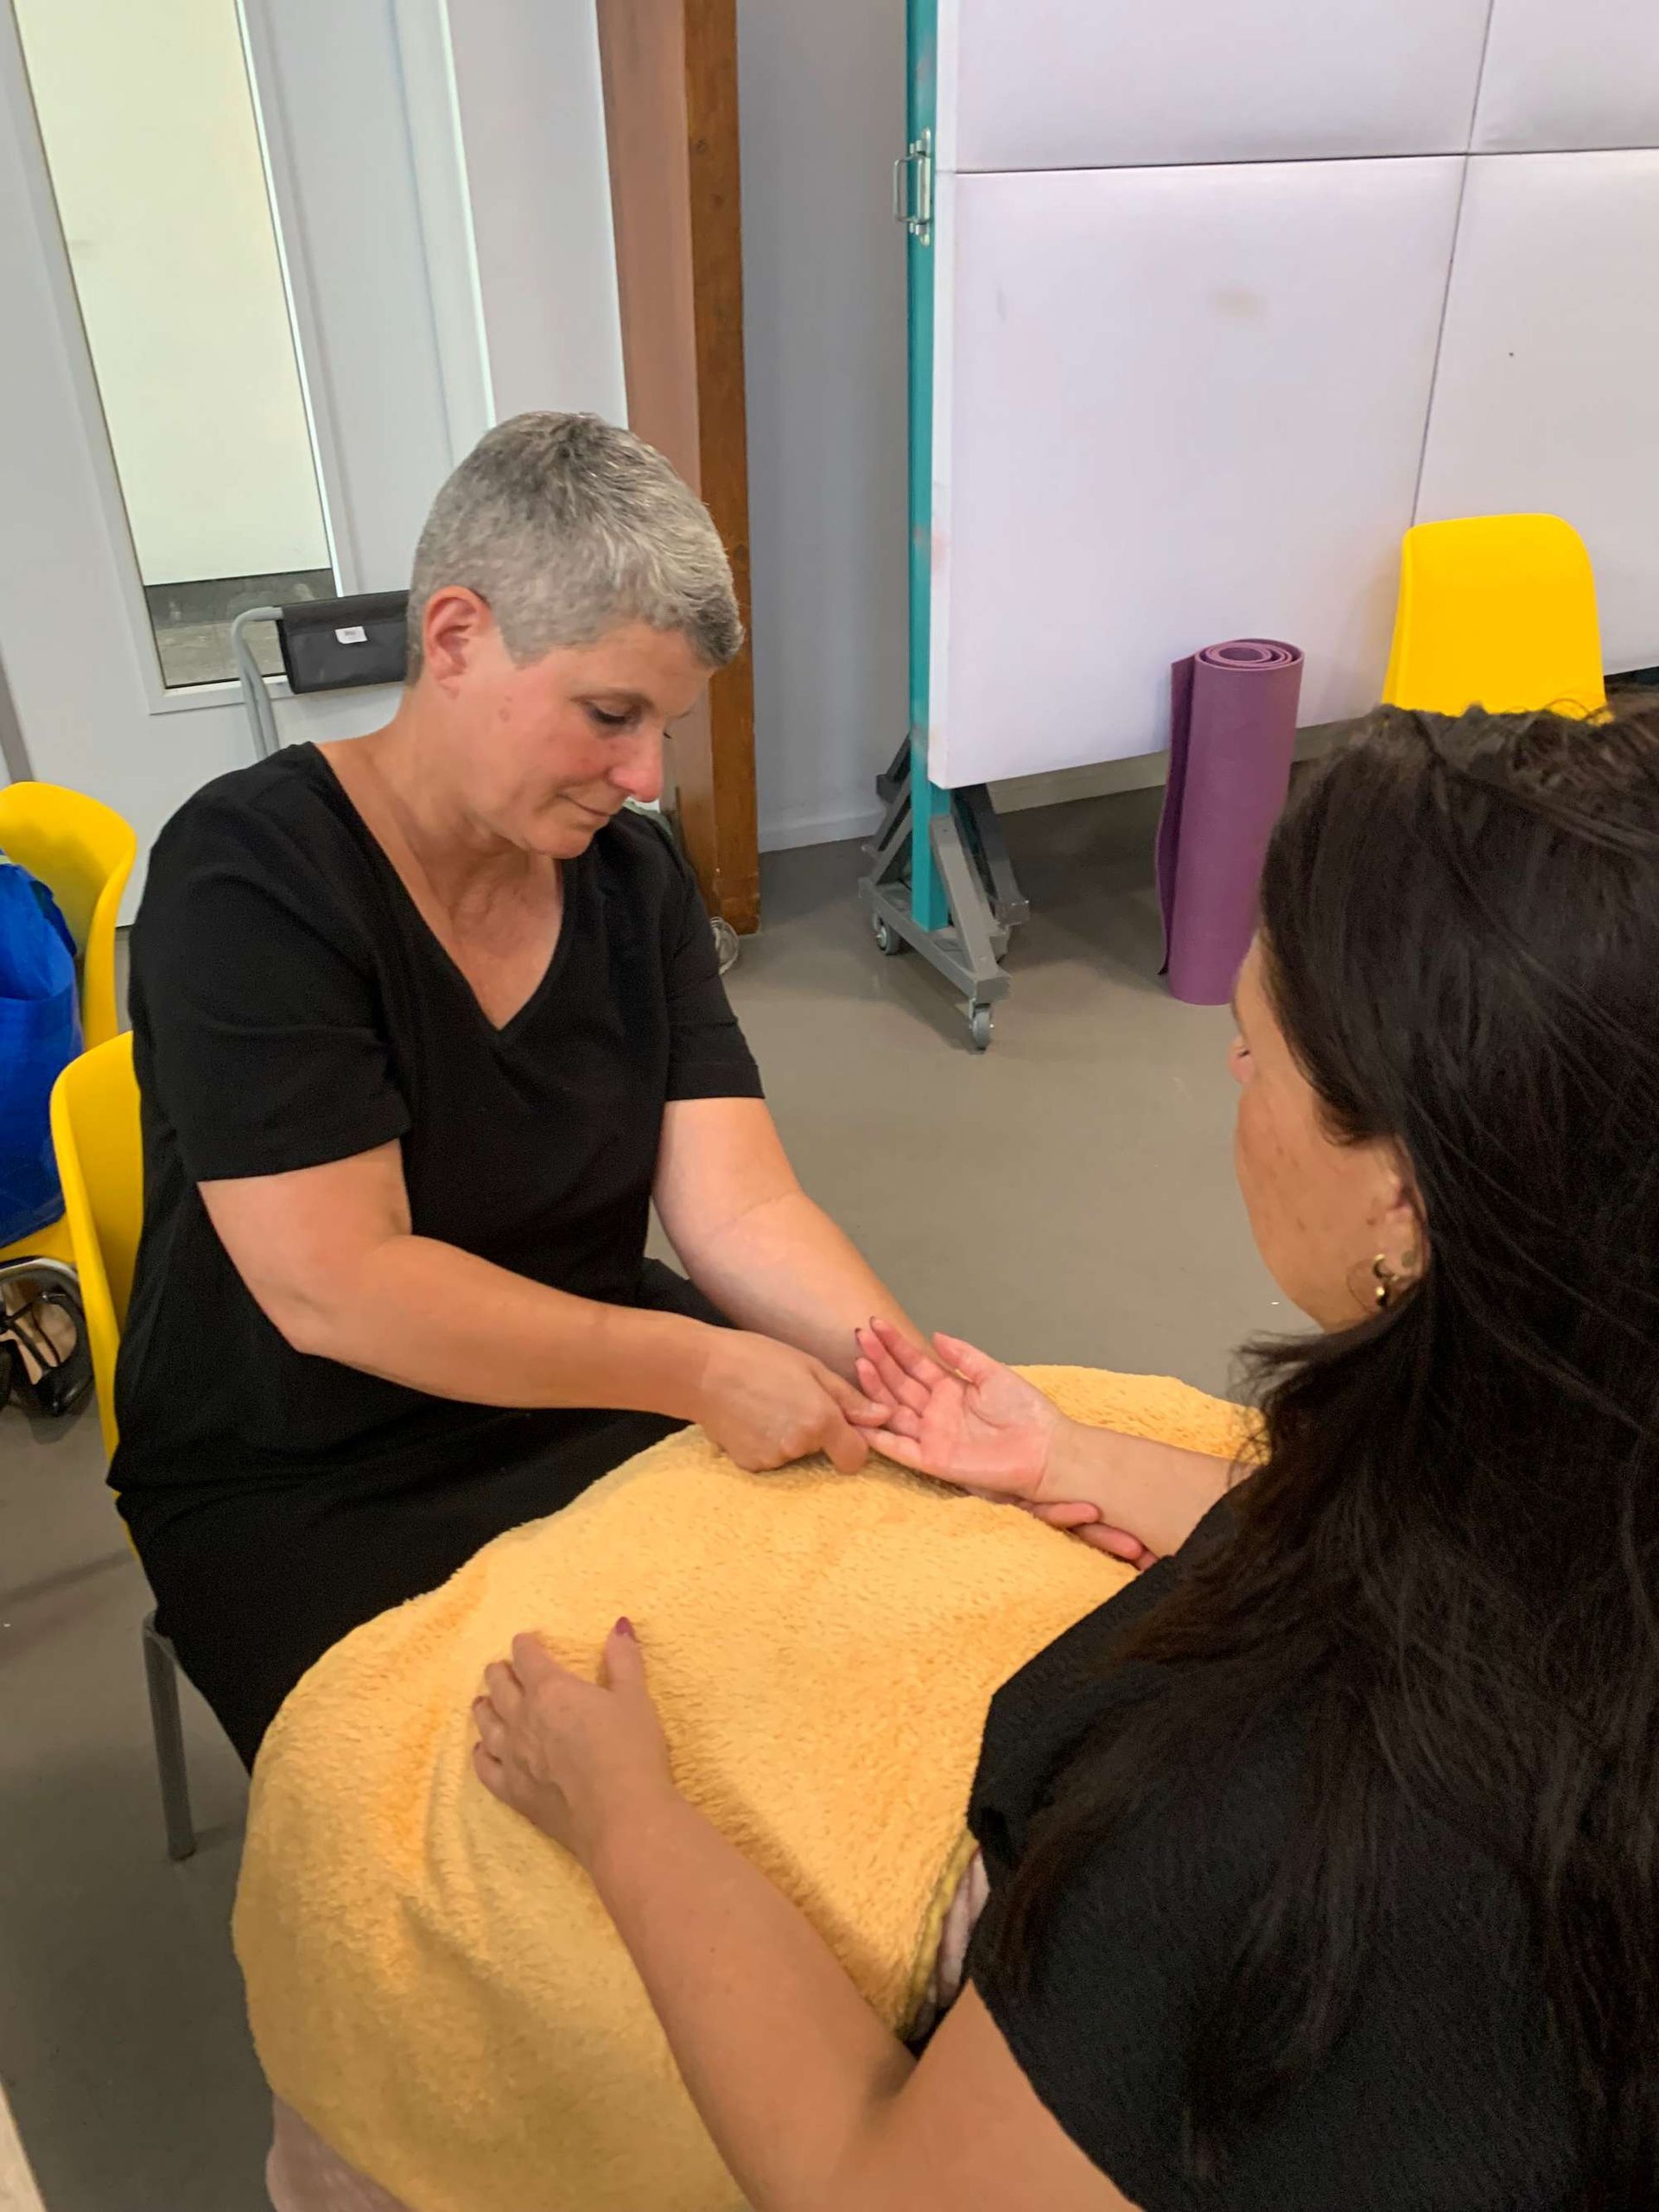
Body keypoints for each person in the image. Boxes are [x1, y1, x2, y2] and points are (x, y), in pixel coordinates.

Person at [477, 703, 1659, 2210]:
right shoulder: (1576, 1471)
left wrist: (622, 1815)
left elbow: (879, 2185)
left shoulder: (1250, 1818)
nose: (1229, 1075)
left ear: (1411, 1200)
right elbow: (1439, 1575)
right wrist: (1064, 1455)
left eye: (1259, 1048)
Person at [114, 412, 913, 1769]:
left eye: (662, 727)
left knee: (841, 1679)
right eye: (611, 716)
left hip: (583, 1378)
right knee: (517, 1847)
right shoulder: (250, 879)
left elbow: (741, 1212)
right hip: (309, 1468)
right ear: (456, 638)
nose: (648, 777)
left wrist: (907, 1375)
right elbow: (340, 1286)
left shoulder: (631, 881)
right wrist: (702, 1365)